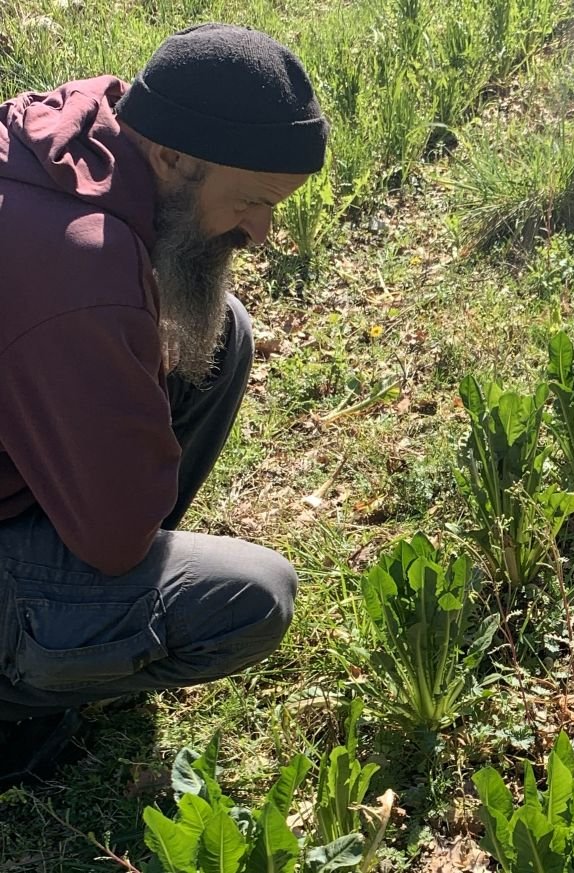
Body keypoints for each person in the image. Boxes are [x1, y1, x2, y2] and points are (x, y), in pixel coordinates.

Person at [0, 23, 328, 787]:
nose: (263, 232)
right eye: (250, 202)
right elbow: (117, 537)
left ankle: (74, 627)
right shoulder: (80, 270)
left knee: (225, 334)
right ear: (175, 157)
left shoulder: (86, 134)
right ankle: (20, 699)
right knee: (253, 597)